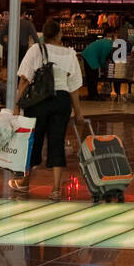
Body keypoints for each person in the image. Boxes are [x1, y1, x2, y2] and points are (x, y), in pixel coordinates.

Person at [10, 19, 87, 197]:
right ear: (59, 34)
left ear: (43, 34)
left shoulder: (36, 49)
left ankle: (25, 182)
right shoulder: (70, 54)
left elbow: (24, 79)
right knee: (57, 141)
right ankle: (56, 188)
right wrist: (79, 113)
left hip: (38, 101)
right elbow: (74, 87)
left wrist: (16, 105)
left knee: (33, 141)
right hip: (61, 100)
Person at [80, 28, 114, 101]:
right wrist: (102, 69)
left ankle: (92, 94)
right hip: (90, 56)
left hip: (87, 53)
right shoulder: (109, 46)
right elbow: (102, 58)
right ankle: (93, 96)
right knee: (93, 77)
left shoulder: (109, 42)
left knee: (90, 77)